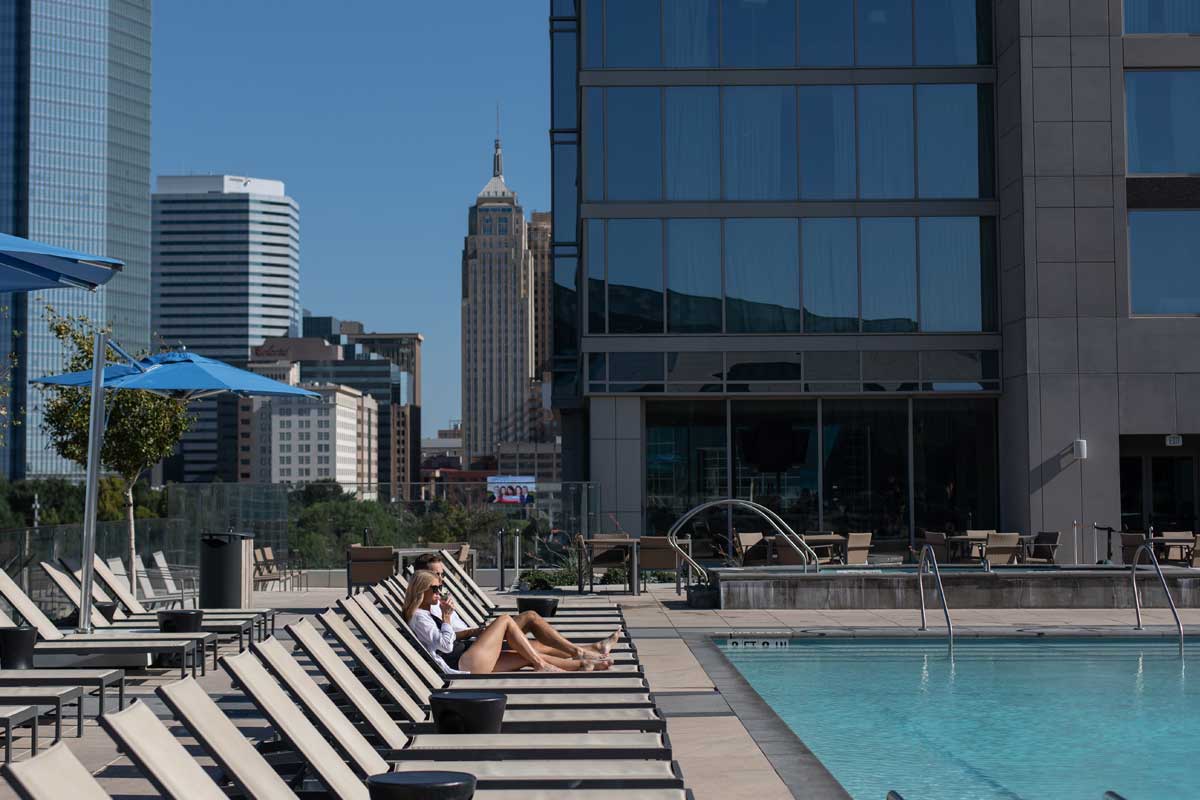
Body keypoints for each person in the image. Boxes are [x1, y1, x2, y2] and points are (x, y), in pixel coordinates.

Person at [410, 554, 621, 662]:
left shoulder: (435, 600)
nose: (441, 581)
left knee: (535, 644)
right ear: (421, 577)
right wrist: (476, 631)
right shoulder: (427, 607)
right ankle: (582, 653)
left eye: (442, 575)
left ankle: (592, 650)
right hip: (473, 644)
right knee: (529, 617)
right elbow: (448, 640)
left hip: (478, 638)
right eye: (436, 575)